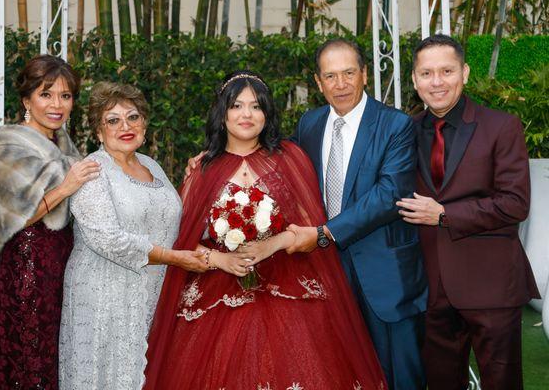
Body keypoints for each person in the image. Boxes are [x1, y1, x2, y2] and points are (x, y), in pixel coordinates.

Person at [144, 71, 387, 389]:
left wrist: (271, 244)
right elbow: (183, 242)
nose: (246, 114)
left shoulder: (290, 159)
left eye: (256, 106)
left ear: (267, 115)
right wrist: (222, 260)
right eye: (237, 106)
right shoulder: (202, 170)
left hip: (286, 276)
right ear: (222, 114)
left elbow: (310, 227)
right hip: (218, 283)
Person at [397, 34, 540, 390]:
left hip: (491, 284)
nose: (437, 81)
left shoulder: (502, 126)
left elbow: (515, 203)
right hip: (431, 287)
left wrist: (444, 214)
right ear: (414, 80)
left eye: (446, 71)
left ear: (465, 72)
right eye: (427, 73)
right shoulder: (405, 132)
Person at [287, 39, 428, 389]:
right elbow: (282, 166)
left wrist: (324, 233)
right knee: (339, 370)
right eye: (330, 76)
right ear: (318, 82)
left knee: (399, 376)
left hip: (386, 278)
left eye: (349, 73)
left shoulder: (396, 125)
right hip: (326, 270)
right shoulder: (310, 124)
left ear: (365, 74)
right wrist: (214, 159)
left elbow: (388, 194)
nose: (341, 84)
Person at [58, 82, 206, 390]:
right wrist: (173, 258)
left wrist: (195, 182)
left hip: (149, 294)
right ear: (98, 132)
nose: (125, 126)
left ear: (144, 124)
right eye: (113, 120)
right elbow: (109, 239)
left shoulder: (151, 165)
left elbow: (171, 220)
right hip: (105, 298)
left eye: (133, 117)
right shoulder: (93, 170)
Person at [0, 55, 100, 389]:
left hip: (61, 260)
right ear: (26, 99)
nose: (57, 104)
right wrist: (67, 187)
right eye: (46, 94)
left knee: (57, 355)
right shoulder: (7, 145)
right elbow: (21, 215)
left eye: (65, 95)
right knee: (29, 357)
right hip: (26, 266)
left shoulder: (62, 143)